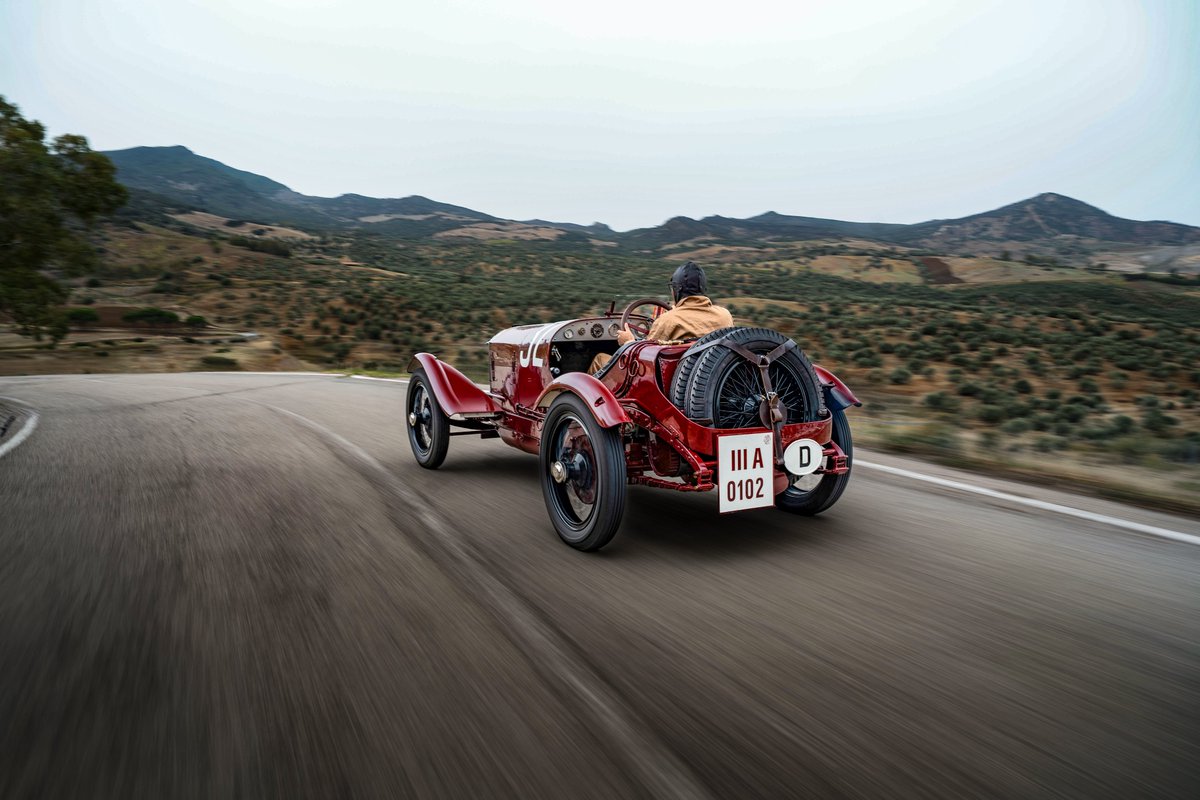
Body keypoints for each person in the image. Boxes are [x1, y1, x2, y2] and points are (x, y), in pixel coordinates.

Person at [590, 261, 733, 373]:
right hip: (707, 383)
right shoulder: (724, 316)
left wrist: (628, 343)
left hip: (666, 387)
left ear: (676, 290)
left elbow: (643, 361)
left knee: (599, 359)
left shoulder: (668, 320)